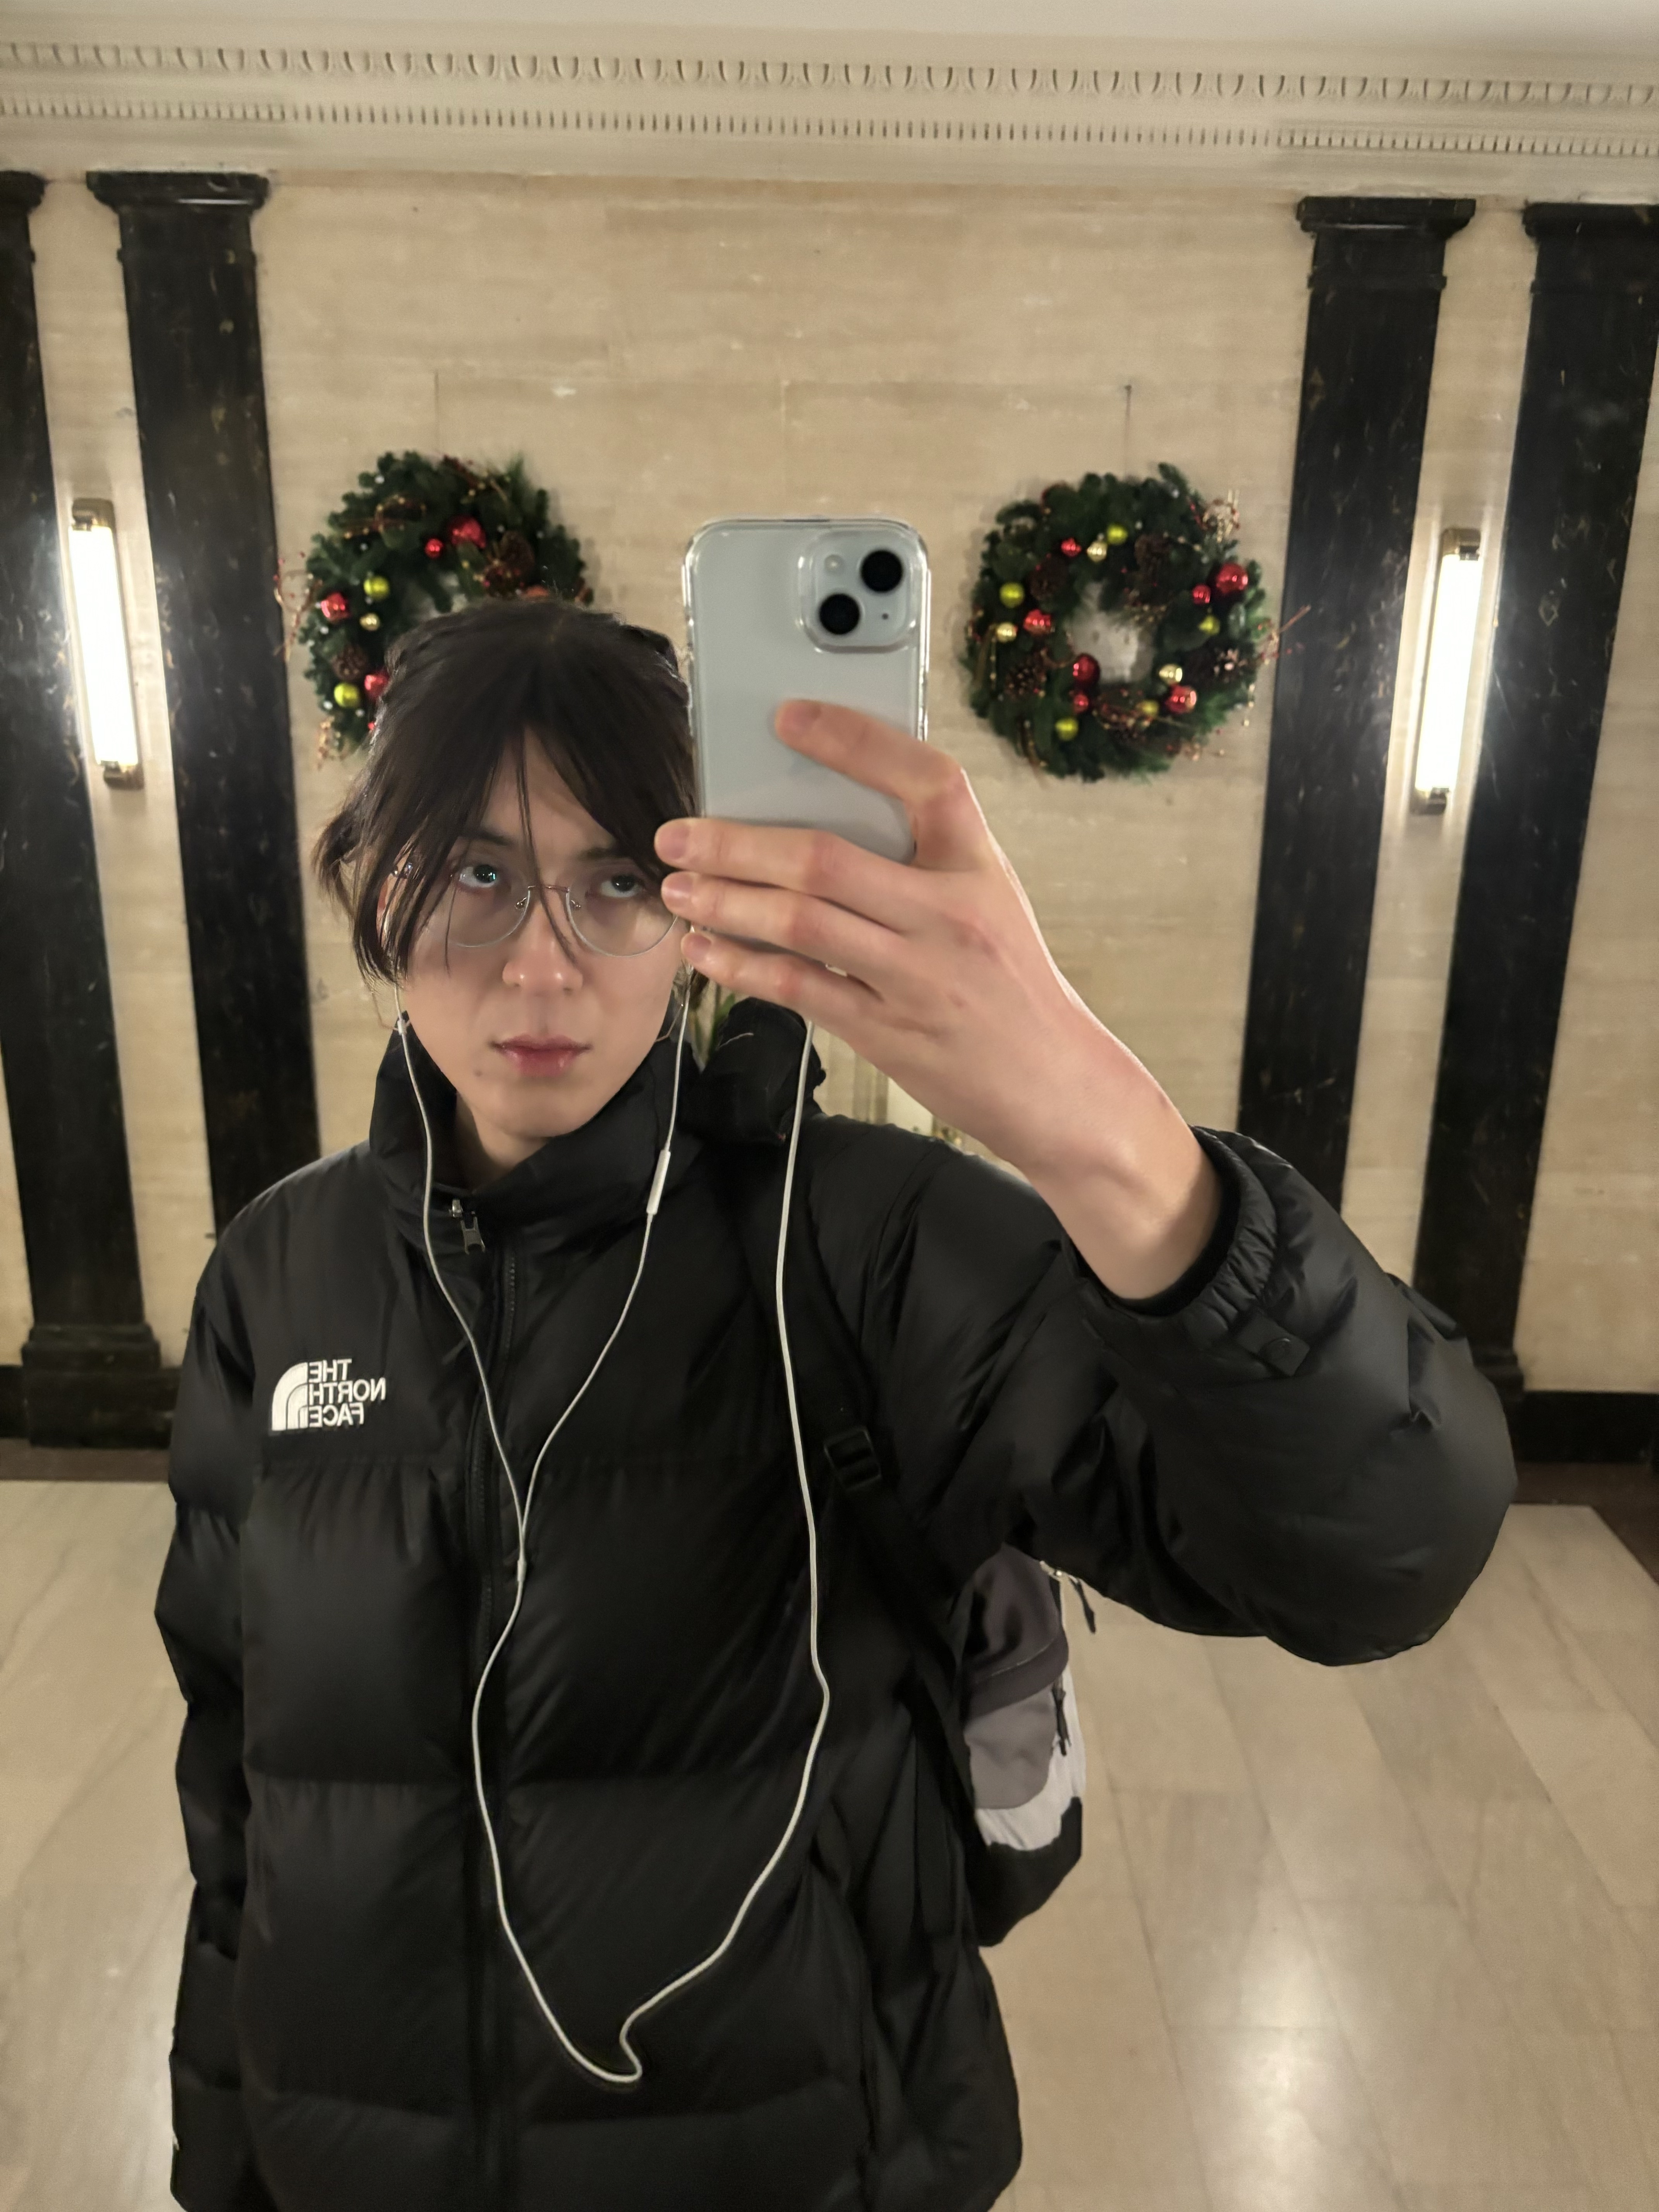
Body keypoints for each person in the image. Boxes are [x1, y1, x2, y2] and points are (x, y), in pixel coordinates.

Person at [157, 596, 1514, 2212]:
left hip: (805, 2154)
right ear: (371, 882)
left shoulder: (863, 1239)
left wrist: (1086, 1117)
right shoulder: (278, 1271)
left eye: (619, 881)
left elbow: (1381, 1555)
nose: (540, 962)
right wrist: (225, 2162)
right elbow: (244, 1803)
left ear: (701, 904)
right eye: (474, 872)